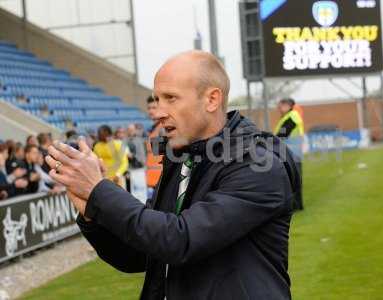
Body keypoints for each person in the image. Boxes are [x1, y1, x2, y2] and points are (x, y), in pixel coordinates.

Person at [46, 50, 299, 299]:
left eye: (171, 98)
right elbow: (139, 253)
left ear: (212, 99)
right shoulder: (183, 157)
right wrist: (92, 213)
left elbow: (181, 240)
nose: (158, 111)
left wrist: (99, 191)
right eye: (156, 100)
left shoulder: (257, 165)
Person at [274, 98, 304, 210]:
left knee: (293, 180)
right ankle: (295, 205)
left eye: (280, 106)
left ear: (287, 105)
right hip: (291, 153)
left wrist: (271, 140)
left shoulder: (292, 116)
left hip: (292, 153)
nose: (279, 108)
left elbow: (283, 133)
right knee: (292, 180)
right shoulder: (290, 116)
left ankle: (295, 206)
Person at [145, 96, 164, 195]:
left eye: (154, 108)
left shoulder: (163, 128)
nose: (151, 111)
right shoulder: (153, 129)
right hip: (152, 180)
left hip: (160, 181)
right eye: (149, 108)